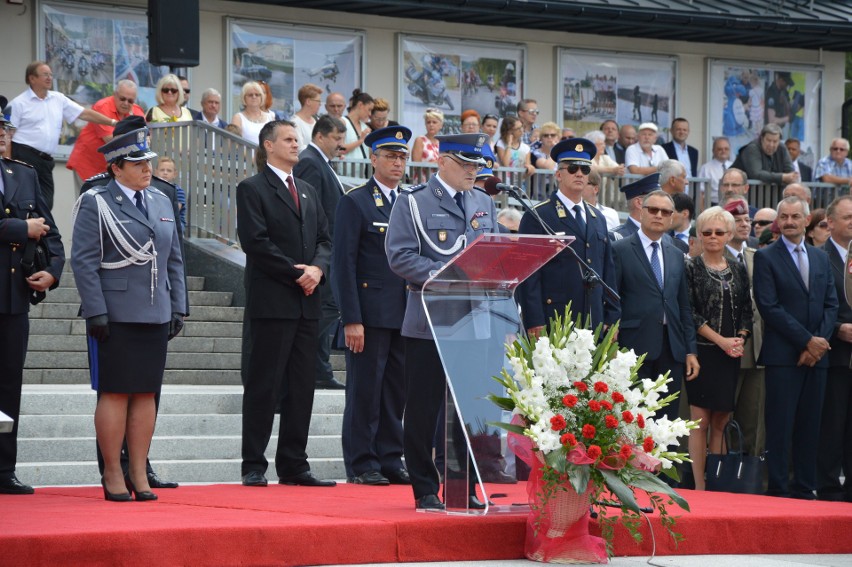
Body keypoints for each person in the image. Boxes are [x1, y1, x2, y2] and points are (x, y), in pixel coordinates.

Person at [71, 124, 186, 502]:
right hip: (116, 312)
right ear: (116, 168)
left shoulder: (160, 201)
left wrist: (178, 306)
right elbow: (85, 262)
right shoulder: (97, 201)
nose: (146, 168)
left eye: (147, 161)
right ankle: (112, 471)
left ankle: (139, 471)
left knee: (146, 394)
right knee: (116, 393)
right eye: (136, 163)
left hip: (155, 310)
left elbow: (174, 259)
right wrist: (96, 311)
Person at [385, 133, 498, 510]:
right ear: (442, 161)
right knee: (423, 407)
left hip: (476, 319)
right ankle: (424, 487)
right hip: (431, 320)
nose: (473, 171)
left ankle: (460, 482)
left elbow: (493, 251)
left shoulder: (483, 201)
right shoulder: (413, 202)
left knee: (468, 407)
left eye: (477, 164)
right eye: (466, 163)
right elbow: (400, 257)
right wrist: (446, 273)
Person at [237, 120, 334, 488]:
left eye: (298, 139)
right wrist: (298, 274)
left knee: (301, 386)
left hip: (308, 303)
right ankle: (253, 464)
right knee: (264, 385)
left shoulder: (307, 190)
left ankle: (294, 463)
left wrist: (318, 270)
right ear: (269, 145)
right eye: (289, 139)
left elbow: (326, 239)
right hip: (274, 300)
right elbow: (256, 242)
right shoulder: (252, 188)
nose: (296, 145)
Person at [333, 125, 412, 486]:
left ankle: (390, 457)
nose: (397, 163)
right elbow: (343, 264)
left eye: (402, 157)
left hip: (404, 312)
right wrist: (351, 318)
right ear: (373, 159)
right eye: (390, 156)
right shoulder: (356, 201)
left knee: (396, 390)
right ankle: (362, 461)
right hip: (369, 313)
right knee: (365, 389)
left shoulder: (410, 203)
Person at [753, 196, 838, 499]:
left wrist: (818, 345)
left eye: (795, 216)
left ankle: (805, 488)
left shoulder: (819, 257)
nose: (789, 221)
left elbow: (831, 304)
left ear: (806, 220)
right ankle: (778, 489)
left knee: (810, 427)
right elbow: (769, 307)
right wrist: (806, 341)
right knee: (780, 428)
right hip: (783, 358)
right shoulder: (766, 257)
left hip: (817, 359)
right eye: (784, 217)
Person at [0, 115, 65, 495]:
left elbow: (51, 232)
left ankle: (4, 467)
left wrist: (53, 271)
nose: (2, 137)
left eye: (4, 131)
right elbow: (24, 226)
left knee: (9, 386)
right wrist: (18, 229)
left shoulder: (23, 173)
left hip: (13, 298)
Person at [612, 190, 700, 424]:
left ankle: (661, 463)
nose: (659, 215)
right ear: (641, 212)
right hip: (632, 348)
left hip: (671, 348)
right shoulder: (620, 249)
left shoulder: (676, 252)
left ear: (672, 218)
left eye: (665, 212)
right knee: (633, 419)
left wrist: (690, 350)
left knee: (666, 422)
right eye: (653, 210)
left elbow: (683, 305)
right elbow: (612, 300)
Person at [518, 137, 619, 334]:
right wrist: (534, 321)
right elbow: (528, 276)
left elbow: (607, 270)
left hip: (594, 319)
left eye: (585, 169)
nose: (580, 174)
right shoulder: (539, 215)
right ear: (558, 174)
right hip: (555, 319)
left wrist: (612, 315)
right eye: (572, 169)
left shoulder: (597, 217)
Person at [685, 206, 753, 490]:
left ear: (729, 234)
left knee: (722, 420)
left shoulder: (738, 267)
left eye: (719, 232)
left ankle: (718, 485)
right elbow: (690, 313)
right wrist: (722, 341)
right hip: (703, 353)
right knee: (699, 421)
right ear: (699, 235)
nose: (712, 237)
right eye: (707, 232)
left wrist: (740, 338)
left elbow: (747, 309)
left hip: (731, 354)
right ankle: (699, 486)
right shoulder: (691, 267)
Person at [9, 61, 117, 210]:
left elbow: (84, 113)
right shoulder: (19, 103)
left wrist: (112, 122)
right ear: (32, 78)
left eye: (50, 74)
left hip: (45, 160)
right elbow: (8, 134)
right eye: (44, 74)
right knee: (24, 200)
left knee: (46, 203)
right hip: (24, 156)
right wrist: (8, 162)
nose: (49, 78)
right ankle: (25, 231)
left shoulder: (57, 98)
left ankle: (40, 232)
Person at [292, 115, 348, 391]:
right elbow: (308, 211)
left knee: (327, 310)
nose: (342, 144)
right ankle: (317, 370)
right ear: (320, 136)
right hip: (320, 254)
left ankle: (319, 369)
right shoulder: (311, 162)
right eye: (337, 138)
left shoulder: (321, 163)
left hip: (327, 252)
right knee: (324, 310)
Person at [817, 195, 852, 502]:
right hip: (835, 353)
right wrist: (838, 327)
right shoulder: (820, 256)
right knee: (833, 422)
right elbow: (819, 304)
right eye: (848, 217)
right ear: (830, 222)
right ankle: (828, 487)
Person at [66, 80, 145, 188]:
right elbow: (112, 141)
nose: (126, 103)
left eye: (130, 101)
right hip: (88, 164)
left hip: (113, 170)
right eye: (122, 99)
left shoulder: (137, 111)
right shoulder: (102, 106)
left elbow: (144, 138)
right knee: (88, 203)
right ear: (115, 94)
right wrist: (134, 140)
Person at [731, 123, 798, 186]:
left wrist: (790, 177)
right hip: (739, 191)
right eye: (768, 140)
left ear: (779, 140)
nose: (771, 145)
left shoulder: (782, 148)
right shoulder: (752, 148)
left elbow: (791, 173)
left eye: (775, 141)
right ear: (762, 138)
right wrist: (782, 177)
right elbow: (756, 174)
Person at [230, 81, 276, 146]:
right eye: (250, 95)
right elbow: (234, 144)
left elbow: (275, 142)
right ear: (244, 98)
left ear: (261, 97)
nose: (254, 97)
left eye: (257, 95)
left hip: (267, 156)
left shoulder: (270, 117)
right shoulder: (238, 118)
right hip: (246, 155)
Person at [697, 137, 733, 206]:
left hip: (732, 203)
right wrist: (702, 211)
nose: (723, 151)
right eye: (720, 149)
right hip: (713, 205)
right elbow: (700, 193)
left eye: (726, 149)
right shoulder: (705, 168)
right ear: (713, 151)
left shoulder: (734, 166)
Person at [341, 89, 374, 162]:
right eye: (369, 109)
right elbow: (340, 149)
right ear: (360, 105)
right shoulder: (342, 122)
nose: (370, 114)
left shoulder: (365, 127)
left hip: (363, 171)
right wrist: (360, 140)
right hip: (345, 171)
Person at [292, 83, 323, 151]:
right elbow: (299, 148)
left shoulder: (316, 121)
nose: (320, 104)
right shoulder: (295, 123)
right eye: (318, 101)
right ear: (308, 101)